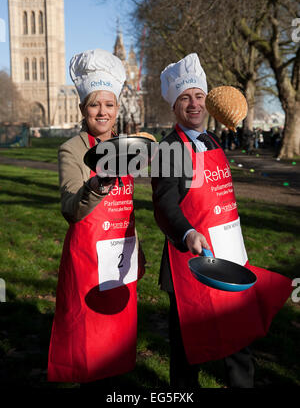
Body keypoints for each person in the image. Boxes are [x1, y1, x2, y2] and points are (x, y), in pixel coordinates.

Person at [151, 53, 292, 389]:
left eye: (199, 96)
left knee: (239, 343)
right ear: (175, 106)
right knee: (188, 351)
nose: (194, 104)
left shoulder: (214, 141)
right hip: (191, 263)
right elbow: (163, 205)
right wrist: (187, 234)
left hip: (229, 258)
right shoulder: (170, 148)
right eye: (185, 98)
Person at [48, 48, 145, 385]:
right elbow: (70, 207)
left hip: (121, 260)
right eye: (94, 104)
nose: (102, 112)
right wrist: (99, 183)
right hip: (88, 261)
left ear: (118, 109)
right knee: (89, 350)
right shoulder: (72, 149)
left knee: (118, 348)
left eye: (109, 104)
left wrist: (139, 251)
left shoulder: (127, 145)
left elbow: (127, 208)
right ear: (82, 109)